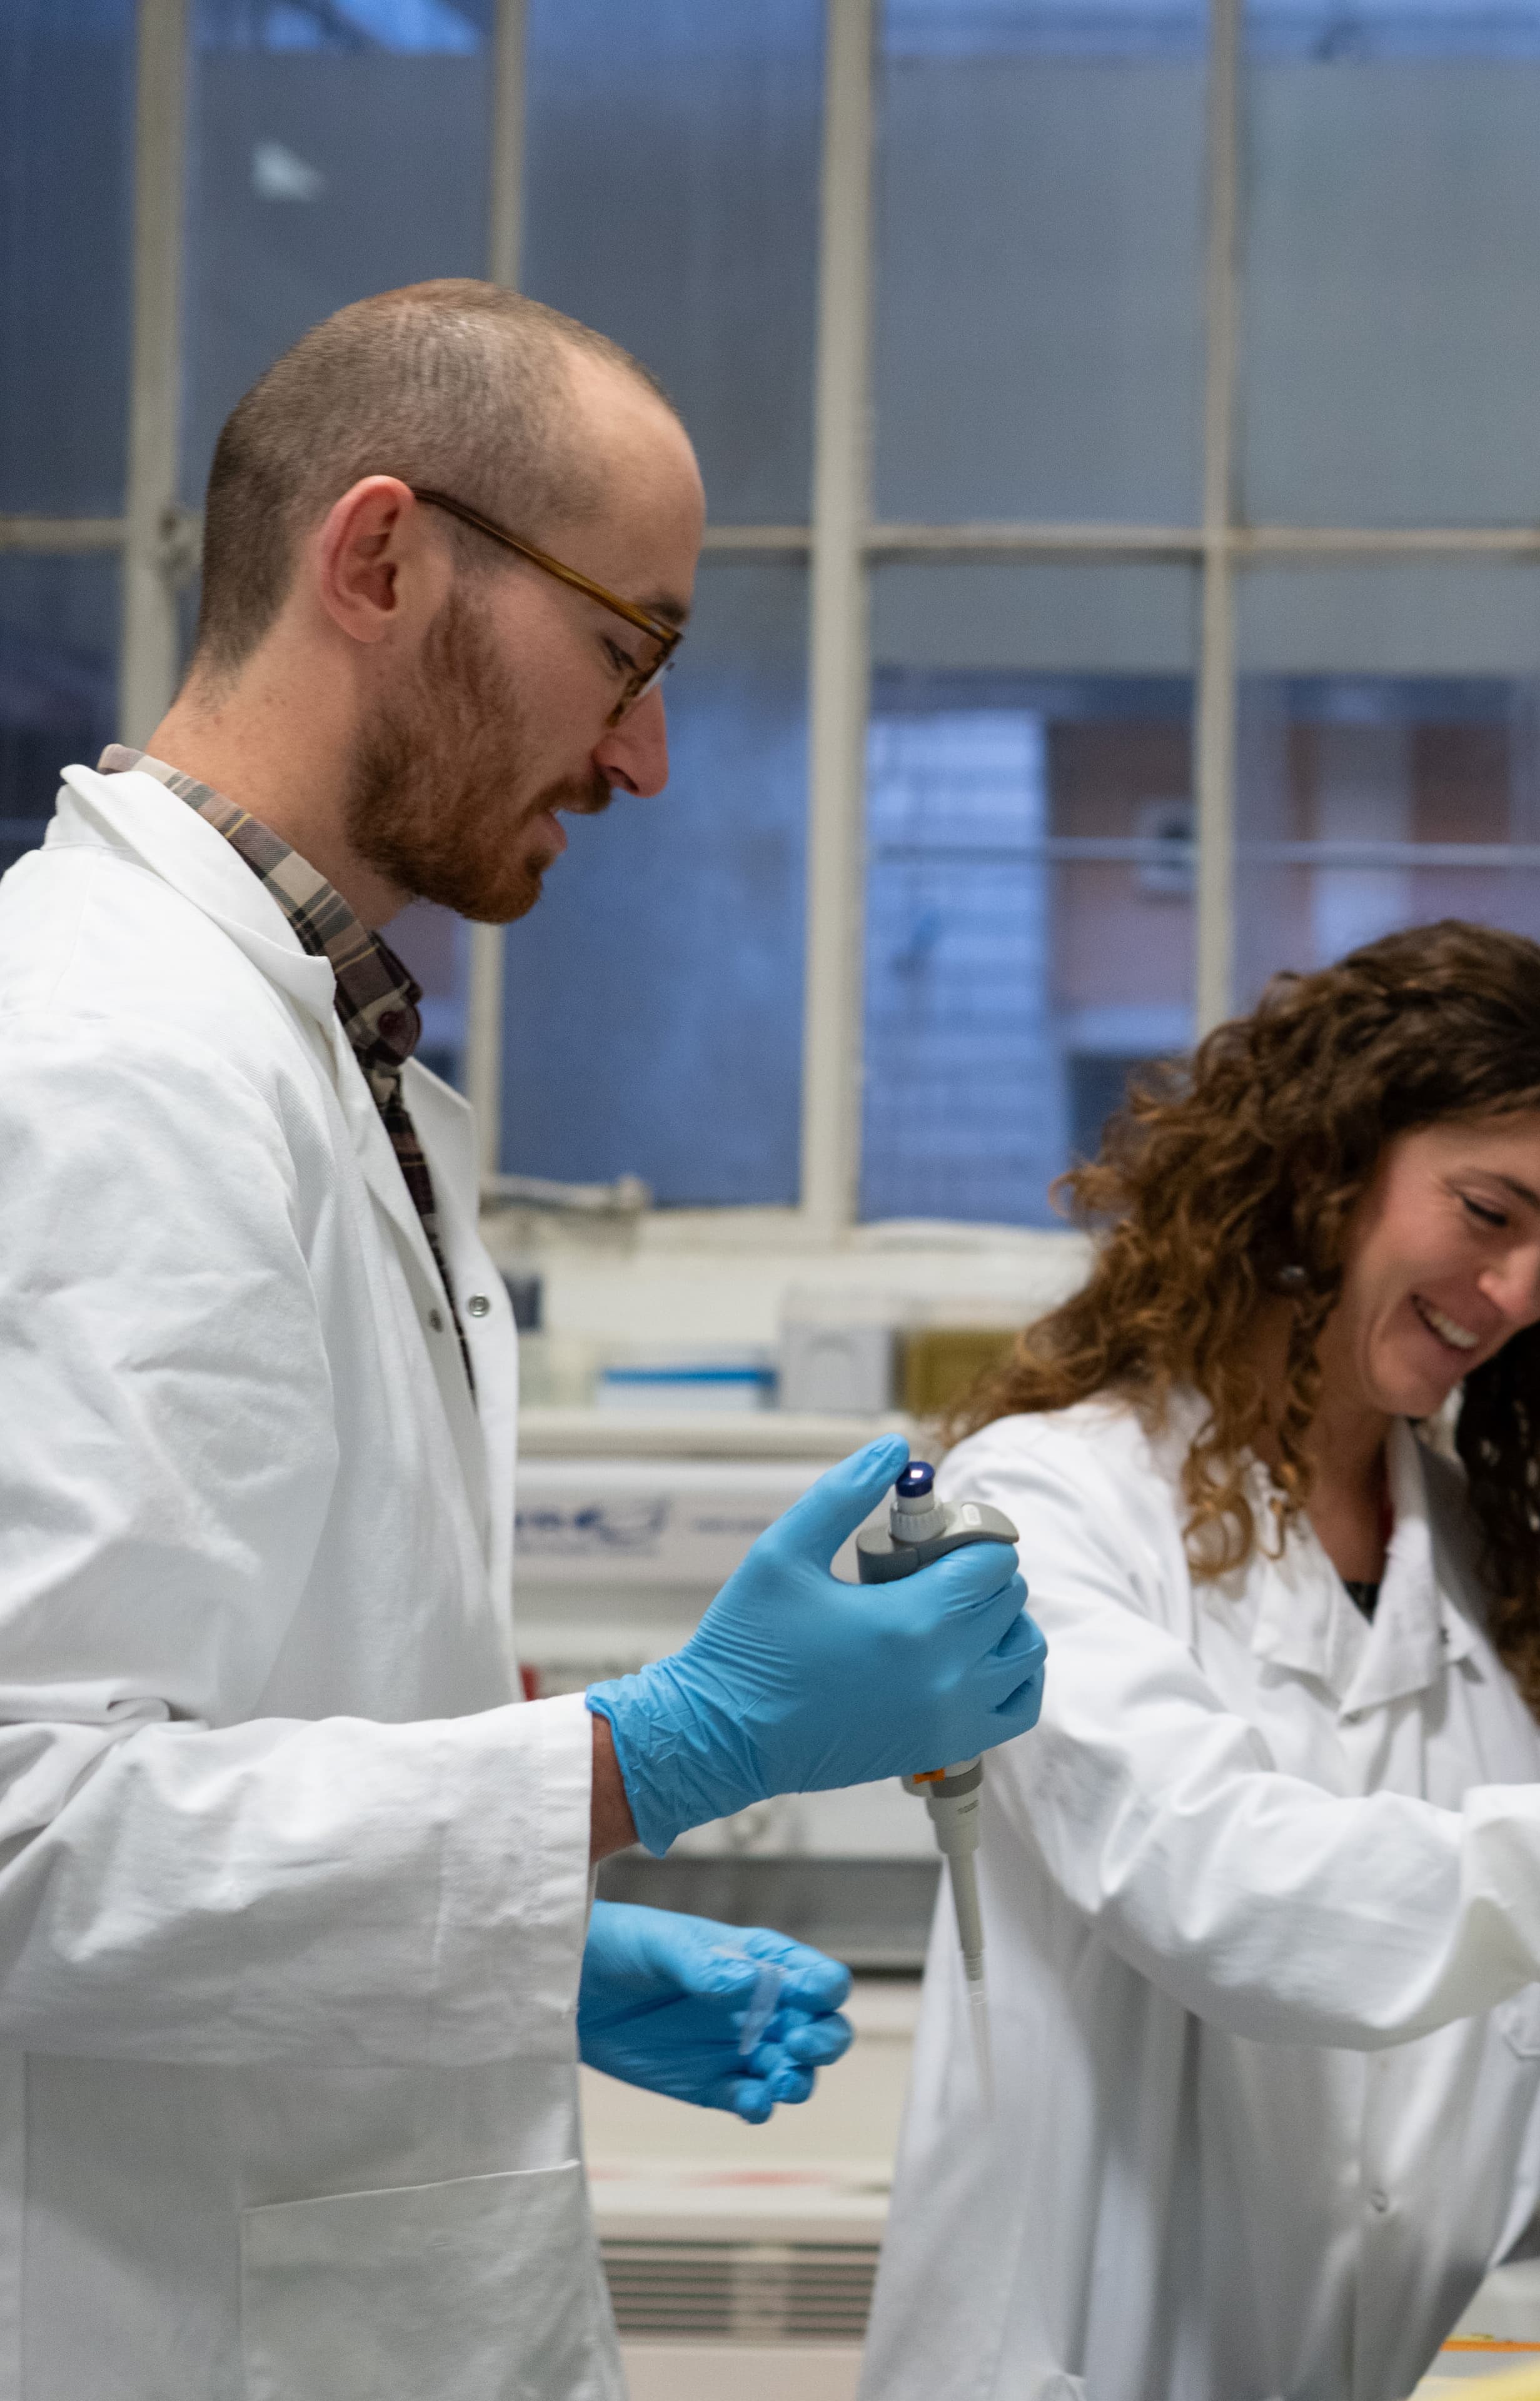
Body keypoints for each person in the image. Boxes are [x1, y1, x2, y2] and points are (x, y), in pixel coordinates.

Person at [0, 282, 1044, 2399]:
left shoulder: (312, 1049)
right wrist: (655, 1753)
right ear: (377, 560)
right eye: (627, 648)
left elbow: (249, 1721)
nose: (647, 756)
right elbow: (36, 1834)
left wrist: (521, 1956)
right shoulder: (106, 1064)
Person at [859, 921, 1540, 2401]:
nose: (1517, 1294)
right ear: (1325, 1164)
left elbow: (1478, 2072)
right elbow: (1248, 1902)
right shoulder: (1046, 1509)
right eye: (1486, 1212)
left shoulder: (1461, 1548)